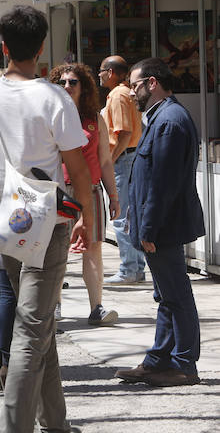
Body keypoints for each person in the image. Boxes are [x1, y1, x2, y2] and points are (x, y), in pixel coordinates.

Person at [0, 6, 93, 433]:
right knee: (33, 328)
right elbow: (79, 169)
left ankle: (56, 424)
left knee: (39, 325)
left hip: (4, 224)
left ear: (3, 48)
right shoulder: (54, 98)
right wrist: (86, 216)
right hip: (47, 222)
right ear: (41, 48)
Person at [115, 58, 204, 387]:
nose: (132, 92)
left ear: (152, 83)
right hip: (158, 225)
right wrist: (135, 221)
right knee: (167, 295)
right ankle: (158, 361)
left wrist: (148, 228)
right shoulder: (162, 117)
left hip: (163, 227)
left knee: (176, 295)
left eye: (135, 85)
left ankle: (183, 364)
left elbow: (162, 185)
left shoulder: (168, 120)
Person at [50, 64, 120, 326]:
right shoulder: (51, 117)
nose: (67, 86)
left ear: (83, 86)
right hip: (59, 192)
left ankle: (96, 308)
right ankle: (54, 308)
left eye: (73, 82)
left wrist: (113, 196)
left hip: (90, 191)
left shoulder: (95, 118)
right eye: (62, 82)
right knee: (57, 251)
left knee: (92, 249)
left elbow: (104, 161)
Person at [98, 55, 145, 284]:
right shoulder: (127, 93)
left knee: (120, 216)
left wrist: (110, 160)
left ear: (111, 72)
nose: (99, 75)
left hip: (123, 160)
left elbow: (123, 133)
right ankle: (135, 267)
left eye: (101, 71)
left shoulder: (118, 95)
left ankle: (129, 269)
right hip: (130, 158)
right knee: (130, 215)